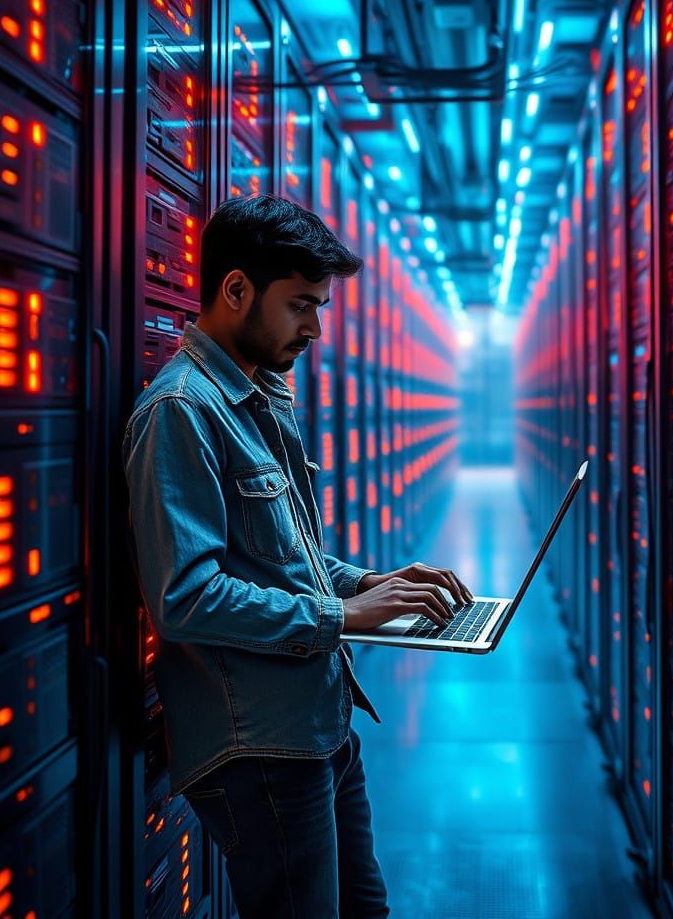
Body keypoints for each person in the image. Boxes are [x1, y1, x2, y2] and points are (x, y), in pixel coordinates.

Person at [123, 194, 473, 919]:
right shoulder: (181, 412)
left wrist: (376, 583)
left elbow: (284, 557)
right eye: (301, 306)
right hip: (260, 748)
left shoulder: (261, 396)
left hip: (316, 723)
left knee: (366, 908)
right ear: (236, 289)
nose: (314, 328)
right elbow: (185, 597)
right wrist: (340, 614)